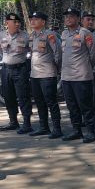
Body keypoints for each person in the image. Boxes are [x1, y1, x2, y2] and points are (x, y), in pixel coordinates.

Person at [60, 7, 95, 143]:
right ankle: (76, 130)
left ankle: (90, 132)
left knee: (85, 105)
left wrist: (86, 67)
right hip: (66, 76)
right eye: (66, 17)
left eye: (71, 16)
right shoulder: (64, 34)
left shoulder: (85, 33)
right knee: (71, 106)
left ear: (78, 19)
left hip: (81, 76)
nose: (68, 19)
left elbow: (94, 53)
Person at [0, 13, 33, 134]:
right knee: (8, 96)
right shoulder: (1, 35)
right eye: (14, 22)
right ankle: (13, 121)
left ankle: (27, 123)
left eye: (18, 22)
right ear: (7, 23)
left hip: (20, 69)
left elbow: (32, 51)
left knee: (23, 96)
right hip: (6, 69)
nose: (17, 24)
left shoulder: (25, 36)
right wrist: (7, 60)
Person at [28, 11, 62, 139]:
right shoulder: (32, 36)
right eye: (31, 19)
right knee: (39, 101)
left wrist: (57, 69)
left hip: (47, 74)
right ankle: (44, 127)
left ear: (43, 22)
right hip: (35, 74)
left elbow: (58, 53)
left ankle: (57, 129)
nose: (33, 21)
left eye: (36, 19)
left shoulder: (50, 35)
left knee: (51, 102)